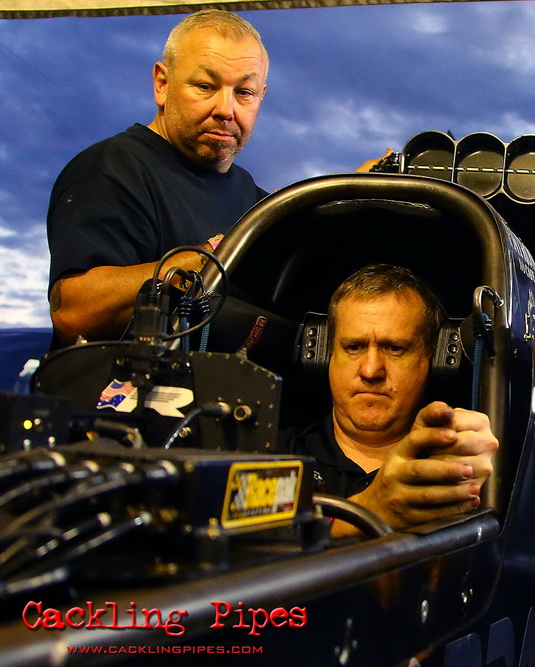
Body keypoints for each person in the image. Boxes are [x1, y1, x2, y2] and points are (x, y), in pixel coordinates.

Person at [46, 9, 270, 347]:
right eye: (205, 86)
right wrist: (217, 253)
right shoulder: (112, 168)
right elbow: (74, 315)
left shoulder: (257, 201)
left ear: (261, 96)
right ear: (162, 84)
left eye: (244, 92)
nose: (226, 109)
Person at [285, 264, 498, 536]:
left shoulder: (450, 468)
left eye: (395, 348)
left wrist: (476, 479)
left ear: (435, 362)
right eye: (354, 347)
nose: (371, 370)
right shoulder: (274, 455)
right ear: (324, 357)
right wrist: (370, 508)